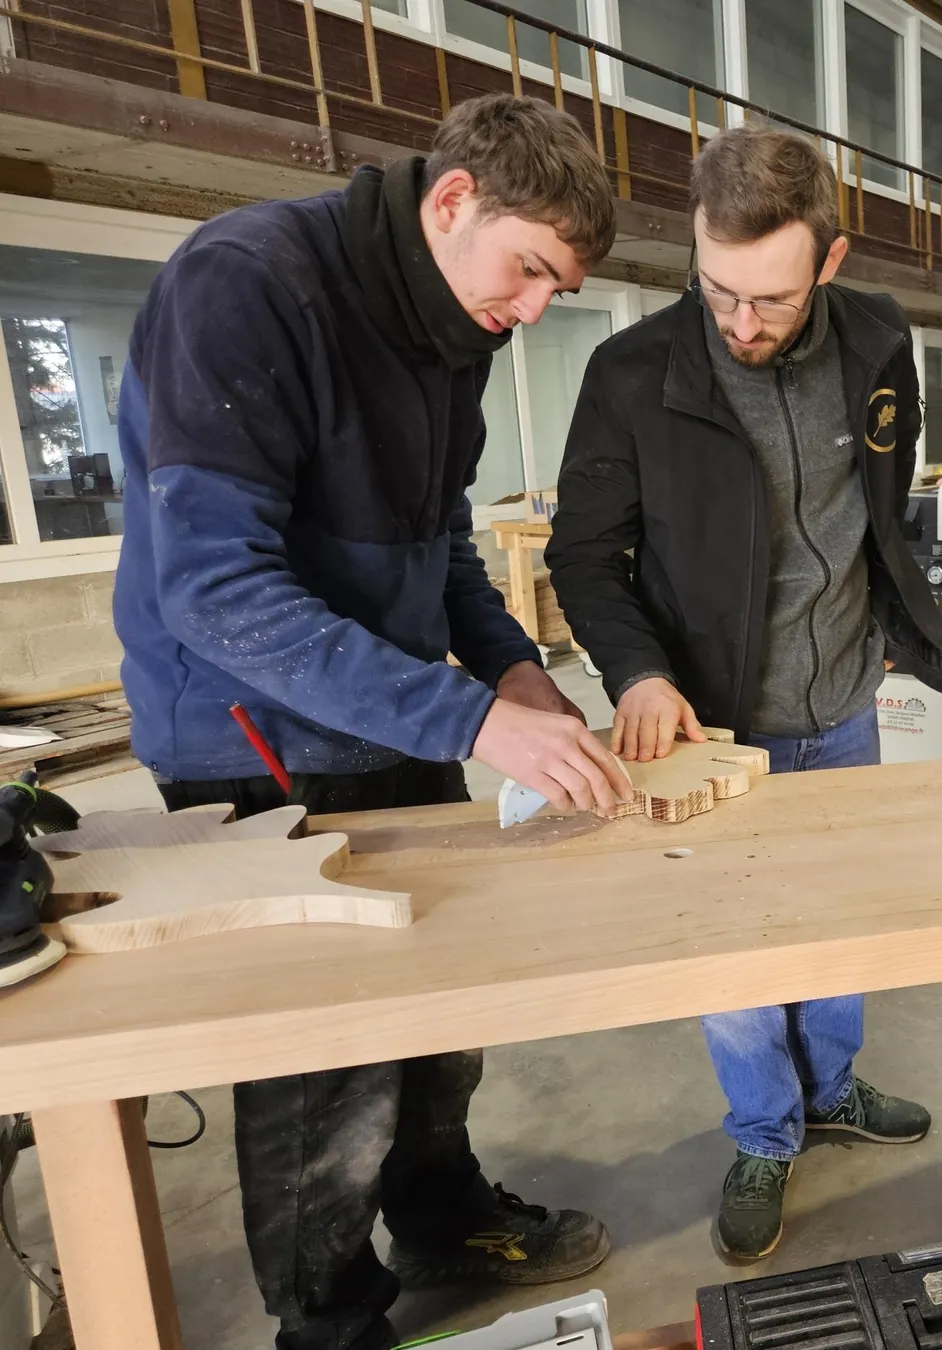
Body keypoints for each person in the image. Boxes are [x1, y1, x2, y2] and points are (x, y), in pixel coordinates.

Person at [114, 94, 634, 1350]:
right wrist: (466, 715)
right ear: (452, 202)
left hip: (397, 708)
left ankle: (440, 1210)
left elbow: (436, 537)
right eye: (530, 272)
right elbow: (216, 592)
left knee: (441, 1003)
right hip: (253, 731)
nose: (532, 311)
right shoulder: (246, 285)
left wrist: (508, 667)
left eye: (557, 290)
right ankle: (330, 1315)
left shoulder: (453, 323)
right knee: (321, 1063)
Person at [546, 124, 942, 1262]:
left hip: (844, 705)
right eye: (717, 288)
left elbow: (884, 500)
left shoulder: (881, 339)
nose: (739, 323)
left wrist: (883, 622)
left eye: (771, 299)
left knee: (840, 923)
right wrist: (637, 672)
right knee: (732, 955)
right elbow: (584, 557)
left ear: (829, 264)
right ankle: (766, 1133)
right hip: (709, 724)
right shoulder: (633, 375)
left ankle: (830, 1089)